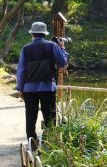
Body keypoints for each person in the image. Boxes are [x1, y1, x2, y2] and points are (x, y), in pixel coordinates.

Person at [16, 22, 68, 151]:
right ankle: (50, 144)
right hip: (47, 88)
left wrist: (20, 88)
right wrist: (62, 48)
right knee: (50, 116)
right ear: (44, 34)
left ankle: (32, 144)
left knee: (30, 116)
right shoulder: (52, 46)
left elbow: (21, 70)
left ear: (32, 34)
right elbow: (62, 62)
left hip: (29, 89)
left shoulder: (25, 48)